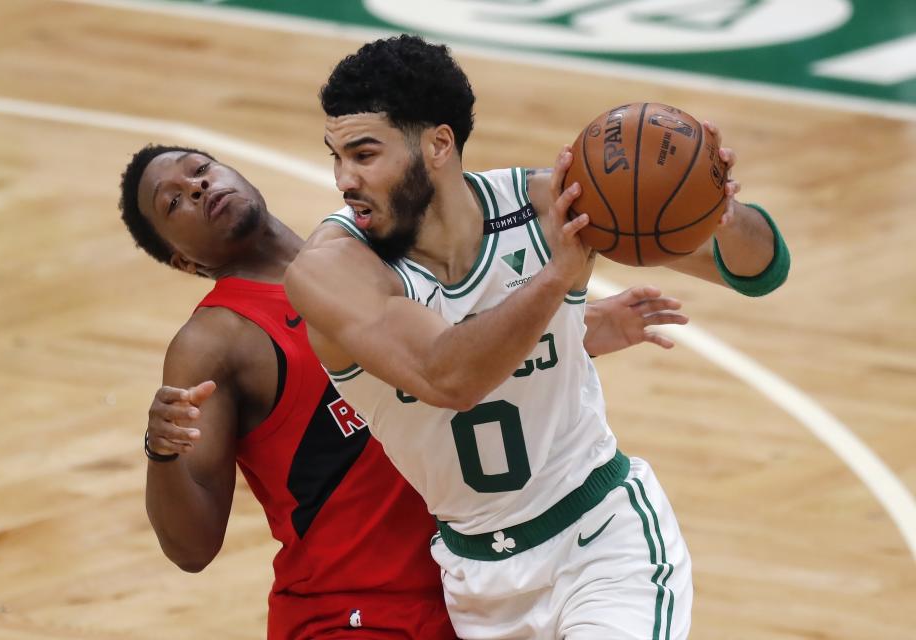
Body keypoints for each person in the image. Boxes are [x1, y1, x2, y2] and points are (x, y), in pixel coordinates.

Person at [284, 35, 790, 640]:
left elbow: (759, 271)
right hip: (477, 580)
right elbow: (448, 376)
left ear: (439, 145)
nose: (344, 178)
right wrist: (558, 283)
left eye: (364, 155)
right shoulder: (332, 269)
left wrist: (715, 208)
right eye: (335, 156)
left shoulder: (547, 204)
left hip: (603, 541)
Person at [118, 143, 690, 639]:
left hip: (471, 592)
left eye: (200, 170)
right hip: (349, 613)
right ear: (181, 260)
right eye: (174, 202)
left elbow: (454, 357)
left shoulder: (370, 253)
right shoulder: (215, 339)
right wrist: (161, 450)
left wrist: (576, 326)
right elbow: (191, 548)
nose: (198, 188)